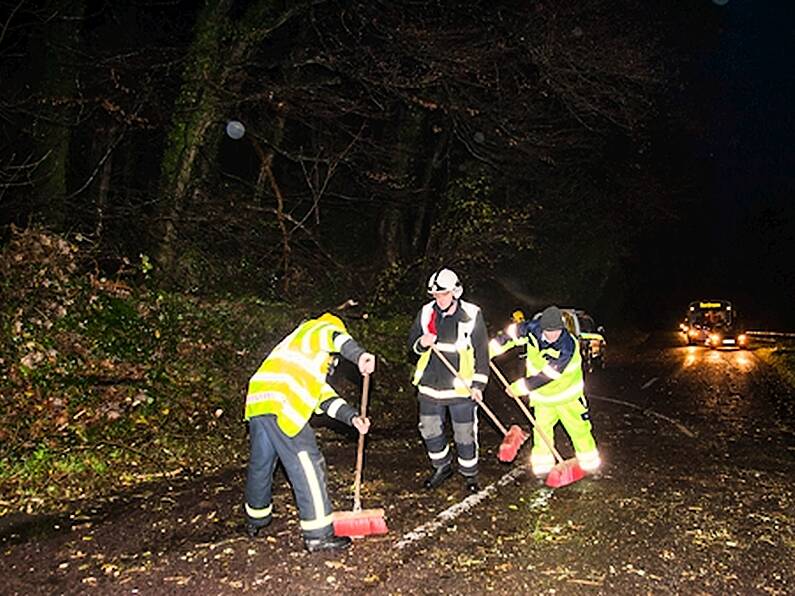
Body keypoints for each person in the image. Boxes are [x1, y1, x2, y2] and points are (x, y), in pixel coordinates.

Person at [243, 312, 376, 552]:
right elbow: (333, 337)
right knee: (308, 462)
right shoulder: (315, 330)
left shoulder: (300, 357)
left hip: (259, 401)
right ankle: (319, 534)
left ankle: (256, 519)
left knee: (261, 464)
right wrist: (359, 356)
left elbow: (324, 399)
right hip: (282, 402)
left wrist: (353, 418)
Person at [489, 305, 601, 481]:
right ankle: (542, 468)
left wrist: (520, 387)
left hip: (568, 398)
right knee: (541, 433)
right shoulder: (531, 329)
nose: (552, 336)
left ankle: (590, 465)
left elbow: (549, 375)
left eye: (556, 331)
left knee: (579, 430)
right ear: (541, 327)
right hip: (542, 399)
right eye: (548, 331)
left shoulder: (567, 346)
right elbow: (510, 335)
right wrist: (489, 351)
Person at [408, 268, 490, 493]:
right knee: (429, 430)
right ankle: (442, 467)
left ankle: (470, 474)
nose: (439, 298)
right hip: (429, 386)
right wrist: (421, 343)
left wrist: (478, 386)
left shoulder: (472, 314)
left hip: (460, 388)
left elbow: (482, 353)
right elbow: (412, 346)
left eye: (443, 293)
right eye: (435, 294)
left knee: (464, 433)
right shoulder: (426, 313)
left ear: (455, 292)